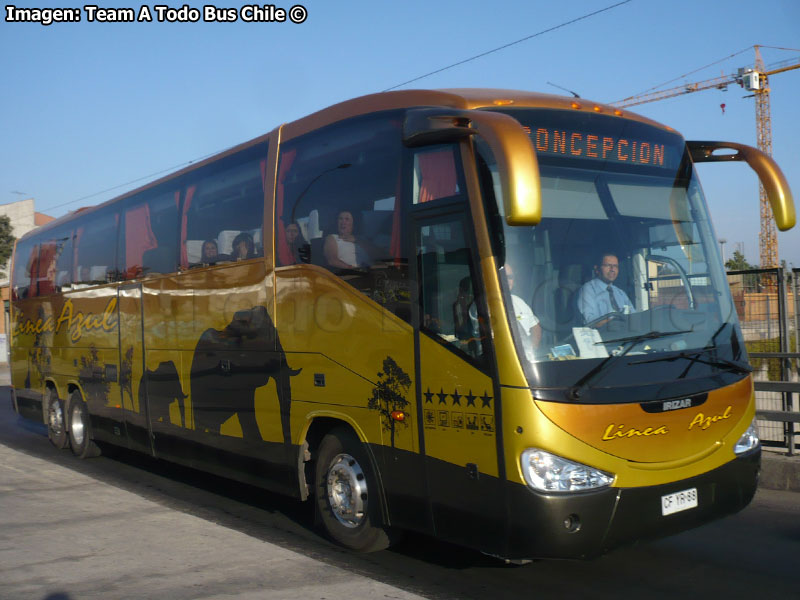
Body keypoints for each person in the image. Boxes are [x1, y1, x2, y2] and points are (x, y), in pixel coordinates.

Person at [577, 252, 634, 324]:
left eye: (615, 266)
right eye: (608, 265)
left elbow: (633, 316)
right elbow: (590, 321)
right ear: (597, 269)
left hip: (626, 334)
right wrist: (615, 322)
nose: (612, 269)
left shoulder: (620, 293)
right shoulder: (588, 290)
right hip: (604, 334)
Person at [505, 264, 541, 361]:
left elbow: (535, 325)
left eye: (510, 277)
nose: (507, 280)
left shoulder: (519, 302)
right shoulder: (482, 304)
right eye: (503, 276)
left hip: (527, 358)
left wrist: (532, 349)